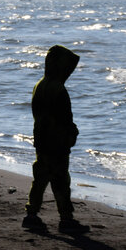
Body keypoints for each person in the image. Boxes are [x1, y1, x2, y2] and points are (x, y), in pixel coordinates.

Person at [23, 45, 90, 234]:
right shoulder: (59, 89)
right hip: (57, 141)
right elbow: (65, 118)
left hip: (41, 139)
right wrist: (71, 133)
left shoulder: (40, 84)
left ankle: (31, 214)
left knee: (40, 178)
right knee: (60, 180)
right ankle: (66, 219)